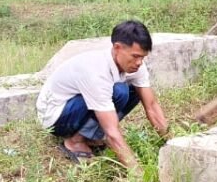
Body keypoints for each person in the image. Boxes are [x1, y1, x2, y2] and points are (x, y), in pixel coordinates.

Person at [36, 20, 168, 172]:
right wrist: (137, 173)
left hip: (79, 106)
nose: (139, 63)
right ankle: (75, 141)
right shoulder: (95, 71)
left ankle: (90, 136)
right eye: (135, 56)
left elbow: (151, 106)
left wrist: (171, 142)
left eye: (143, 57)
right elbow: (112, 132)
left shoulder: (136, 66)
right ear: (117, 48)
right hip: (56, 117)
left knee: (135, 91)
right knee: (119, 92)